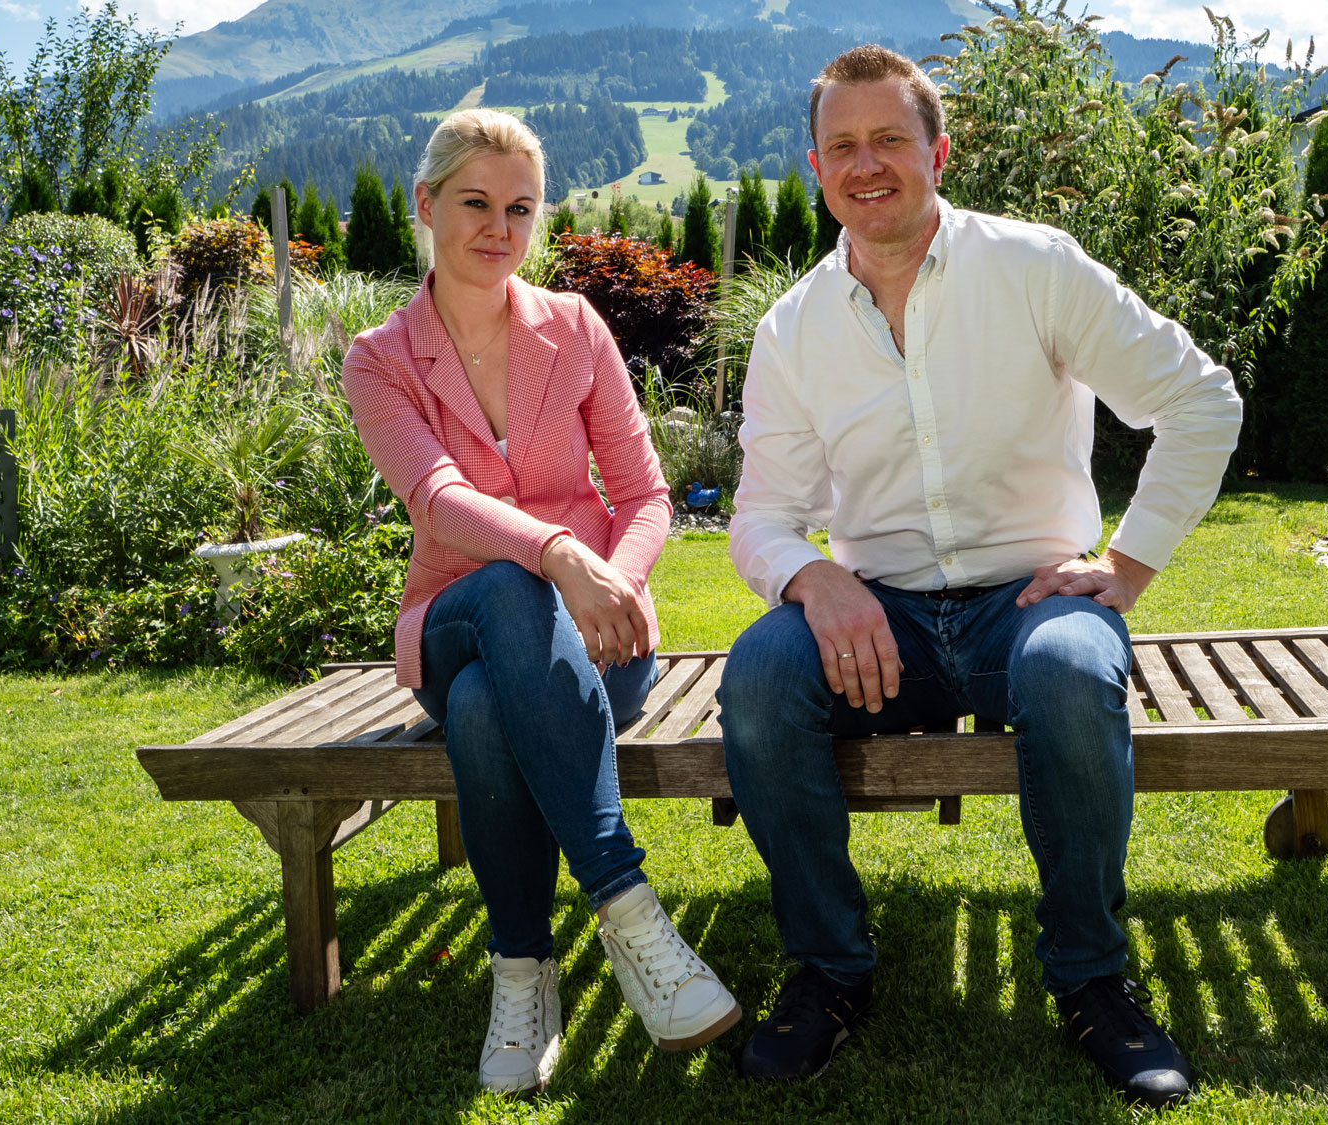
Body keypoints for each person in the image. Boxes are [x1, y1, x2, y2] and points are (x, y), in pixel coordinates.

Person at [717, 47, 1240, 1107]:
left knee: (1066, 670)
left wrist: (1126, 570)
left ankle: (1092, 978)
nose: (866, 166)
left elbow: (1201, 401)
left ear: (937, 153)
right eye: (841, 147)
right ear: (816, 168)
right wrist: (811, 582)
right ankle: (828, 971)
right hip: (884, 627)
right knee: (761, 676)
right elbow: (763, 517)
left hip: (1031, 603)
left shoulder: (1032, 267)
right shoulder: (792, 330)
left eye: (888, 141)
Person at [341, 109, 740, 1095]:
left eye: (518, 208)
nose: (497, 228)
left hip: (598, 630)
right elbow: (438, 499)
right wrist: (561, 550)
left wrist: (619, 576)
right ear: (426, 204)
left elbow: (646, 497)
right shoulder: (380, 357)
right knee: (511, 586)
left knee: (483, 712)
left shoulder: (574, 329)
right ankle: (630, 910)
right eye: (474, 203)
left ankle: (521, 975)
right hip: (454, 618)